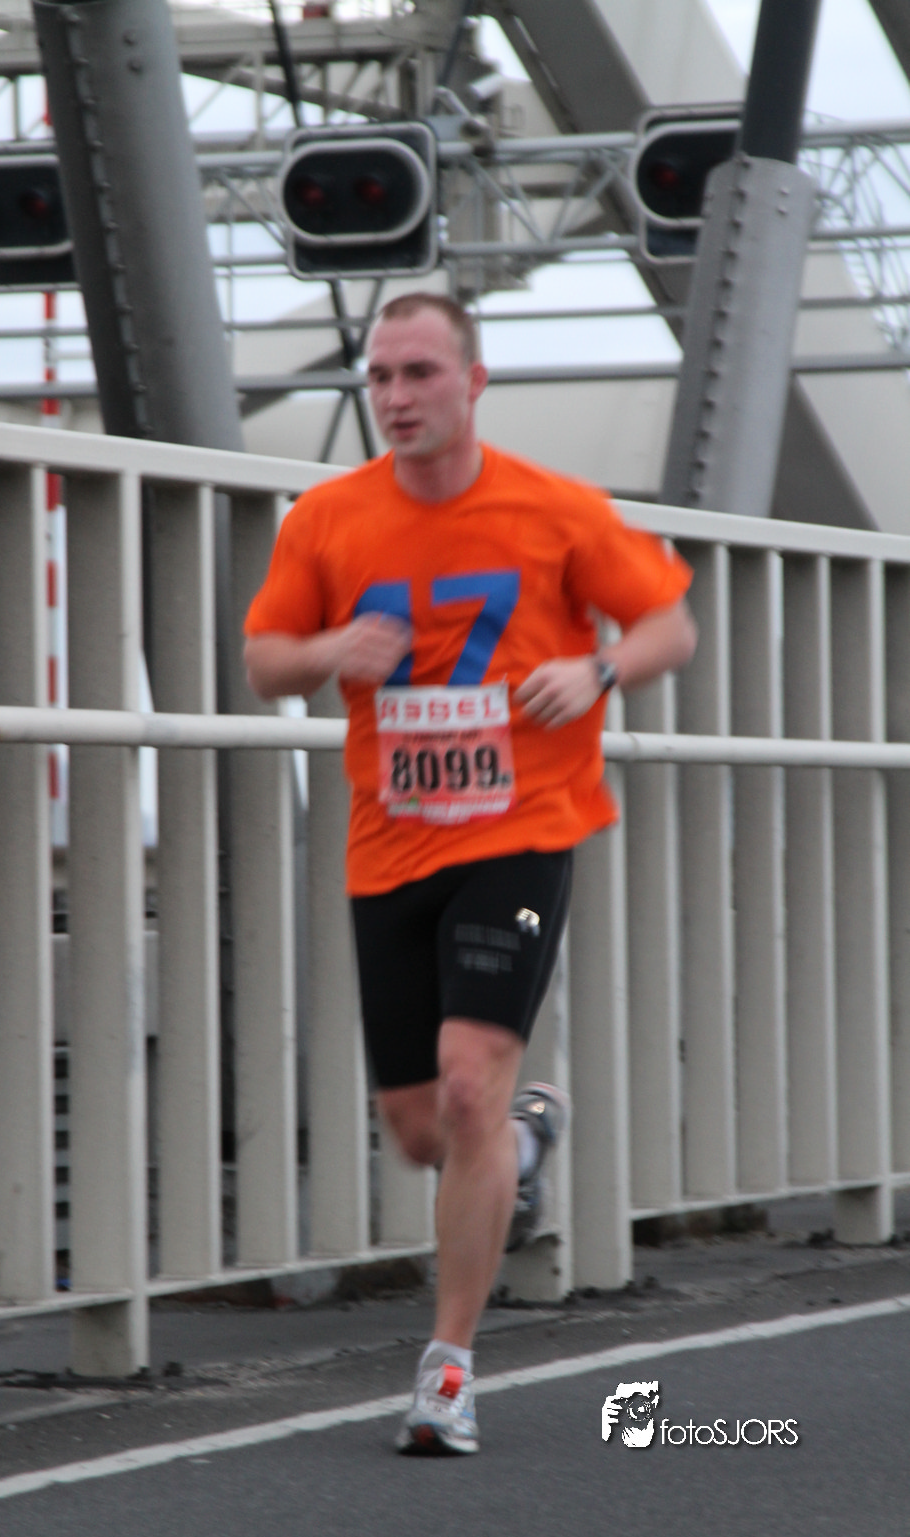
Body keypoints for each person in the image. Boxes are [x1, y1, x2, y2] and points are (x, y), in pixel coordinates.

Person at [243, 292, 696, 1456]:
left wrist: (598, 671)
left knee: (462, 1087)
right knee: (417, 1130)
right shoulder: (326, 518)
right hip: (389, 843)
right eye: (379, 377)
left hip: (521, 830)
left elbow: (668, 624)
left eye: (419, 373)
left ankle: (445, 1371)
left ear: (473, 381)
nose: (395, 397)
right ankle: (523, 1140)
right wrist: (328, 650)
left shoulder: (553, 508)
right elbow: (263, 659)